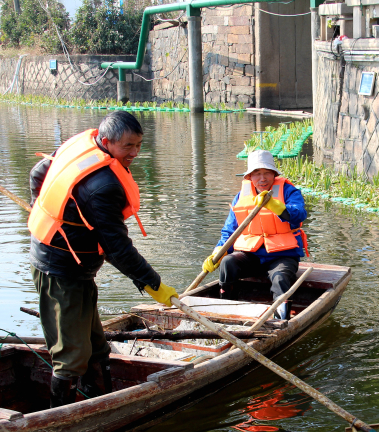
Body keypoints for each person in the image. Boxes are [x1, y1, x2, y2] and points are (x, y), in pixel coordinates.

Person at [29, 111, 178, 408]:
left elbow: (37, 172)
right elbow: (117, 249)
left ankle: (97, 398)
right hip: (59, 271)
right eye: (128, 147)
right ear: (107, 141)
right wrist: (152, 283)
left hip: (78, 267)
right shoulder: (104, 186)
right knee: (70, 356)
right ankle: (61, 417)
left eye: (138, 145)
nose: (135, 153)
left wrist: (40, 206)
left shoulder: (86, 145)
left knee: (97, 346)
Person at [201, 149, 308, 320]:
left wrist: (275, 206)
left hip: (282, 256)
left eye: (267, 173)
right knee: (228, 263)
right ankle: (225, 314)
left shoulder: (289, 191)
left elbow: (300, 214)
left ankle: (280, 322)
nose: (262, 178)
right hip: (252, 256)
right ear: (250, 177)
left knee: (280, 278)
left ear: (274, 174)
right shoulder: (241, 196)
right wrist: (217, 253)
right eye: (257, 174)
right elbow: (230, 230)